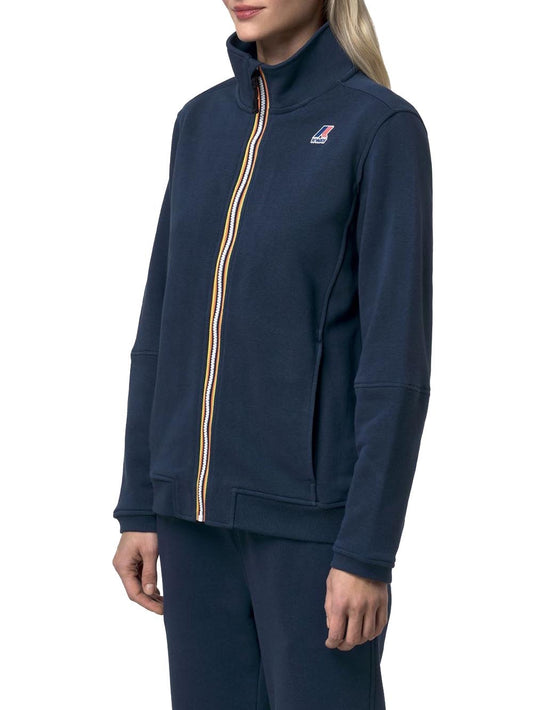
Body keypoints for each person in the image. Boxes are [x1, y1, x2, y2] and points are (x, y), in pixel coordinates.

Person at [112, 0, 433, 707]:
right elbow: (160, 328)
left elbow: (395, 368)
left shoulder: (379, 127)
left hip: (312, 533)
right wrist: (141, 503)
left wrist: (366, 550)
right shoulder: (199, 124)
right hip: (191, 524)